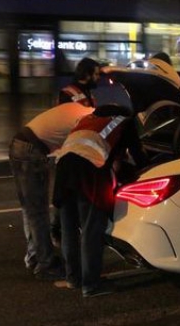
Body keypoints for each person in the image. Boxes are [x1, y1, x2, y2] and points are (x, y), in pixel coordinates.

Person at [52, 104, 149, 298]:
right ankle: (92, 286)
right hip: (88, 173)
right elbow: (138, 157)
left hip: (63, 170)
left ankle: (74, 279)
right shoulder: (125, 122)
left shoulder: (87, 120)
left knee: (69, 229)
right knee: (91, 230)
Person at [9, 102, 96, 279]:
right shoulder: (86, 120)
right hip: (30, 151)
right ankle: (45, 264)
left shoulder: (78, 109)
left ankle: (35, 256)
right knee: (38, 212)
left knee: (31, 210)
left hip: (22, 145)